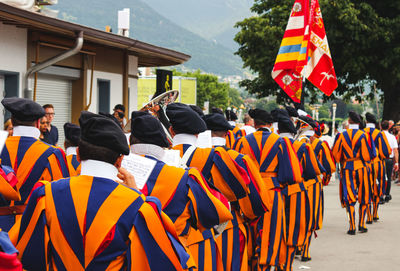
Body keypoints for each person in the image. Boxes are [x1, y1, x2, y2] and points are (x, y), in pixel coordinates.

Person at [14, 111, 192, 270]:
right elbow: (167, 262)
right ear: (120, 161)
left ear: (78, 154)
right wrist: (138, 195)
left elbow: (29, 257)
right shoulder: (138, 206)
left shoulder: (46, 195)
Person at [167, 103, 267, 271]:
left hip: (171, 237)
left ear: (171, 131)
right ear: (199, 134)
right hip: (223, 231)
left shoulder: (156, 159)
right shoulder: (230, 158)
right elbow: (255, 203)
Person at [129, 111, 233, 270]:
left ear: (129, 140)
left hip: (128, 259)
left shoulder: (113, 174)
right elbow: (219, 214)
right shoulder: (184, 176)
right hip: (174, 257)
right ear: (163, 140)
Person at [235, 108, 302, 271]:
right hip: (273, 192)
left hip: (250, 192)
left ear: (255, 123)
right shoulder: (280, 142)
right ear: (271, 124)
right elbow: (292, 174)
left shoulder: (243, 141)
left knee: (251, 229)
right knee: (270, 233)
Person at [203, 112, 270, 271]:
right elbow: (254, 203)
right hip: (230, 225)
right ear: (227, 134)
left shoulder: (192, 157)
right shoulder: (239, 159)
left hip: (199, 229)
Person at [0, 98, 69, 234]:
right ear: (38, 123)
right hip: (33, 229)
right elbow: (61, 199)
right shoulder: (53, 154)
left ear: (12, 121)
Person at [332, 111, 376, 235]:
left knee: (349, 197)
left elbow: (335, 154)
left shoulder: (341, 135)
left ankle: (352, 226)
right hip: (362, 167)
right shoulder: (365, 135)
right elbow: (371, 154)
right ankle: (361, 224)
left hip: (347, 167)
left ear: (349, 121)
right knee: (364, 195)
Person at [364, 113, 391, 222]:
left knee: (366, 189)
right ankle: (375, 213)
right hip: (377, 164)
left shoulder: (362, 133)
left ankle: (368, 215)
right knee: (377, 188)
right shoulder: (379, 134)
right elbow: (386, 152)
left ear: (366, 122)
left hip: (365, 164)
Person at [381, 120, 398, 202]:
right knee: (388, 177)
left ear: (381, 127)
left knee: (380, 177)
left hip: (380, 159)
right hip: (389, 159)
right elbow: (395, 150)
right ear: (389, 127)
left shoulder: (378, 136)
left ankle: (381, 194)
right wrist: (397, 162)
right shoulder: (392, 137)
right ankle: (387, 194)